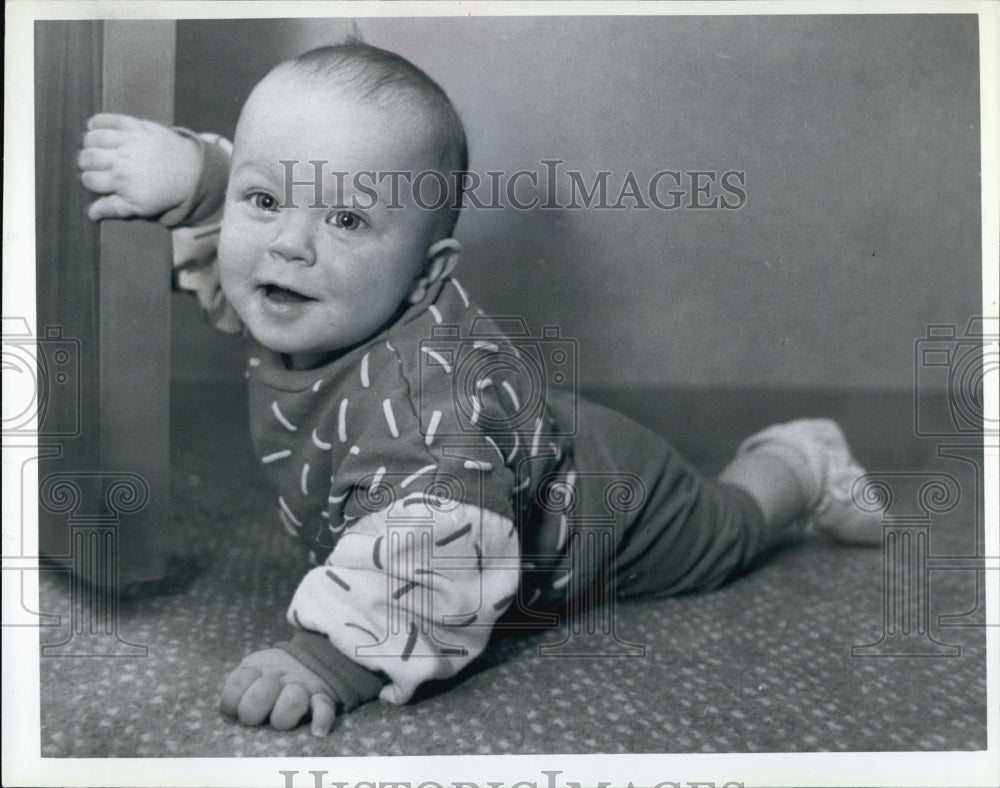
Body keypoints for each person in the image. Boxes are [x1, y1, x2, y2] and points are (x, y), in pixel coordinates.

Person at [78, 41, 881, 738]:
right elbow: (245, 257)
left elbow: (438, 555)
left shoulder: (429, 419)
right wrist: (203, 178)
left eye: (348, 222)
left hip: (620, 502)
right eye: (263, 200)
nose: (288, 244)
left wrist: (331, 657)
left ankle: (801, 461)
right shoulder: (315, 291)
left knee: (728, 531)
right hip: (525, 446)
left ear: (426, 275)